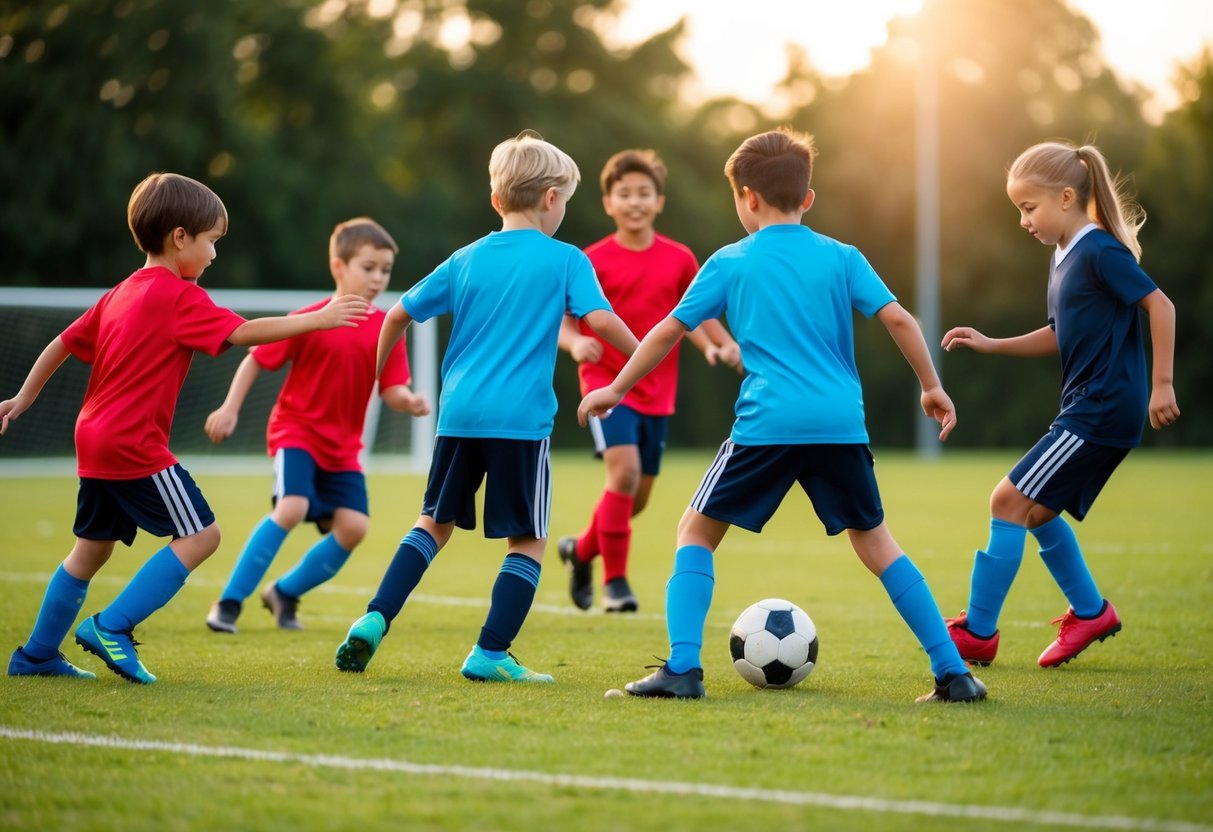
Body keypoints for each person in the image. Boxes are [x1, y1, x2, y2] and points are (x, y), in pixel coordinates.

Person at [579, 128, 986, 703]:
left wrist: (617, 387)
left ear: (746, 197)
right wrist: (931, 386)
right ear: (809, 198)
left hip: (767, 424)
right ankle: (953, 673)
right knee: (876, 544)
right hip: (840, 423)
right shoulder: (842, 257)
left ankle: (682, 669)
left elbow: (671, 330)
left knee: (695, 531)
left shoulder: (729, 261)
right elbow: (899, 319)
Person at [2, 172, 369, 684]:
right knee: (201, 534)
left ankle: (37, 654)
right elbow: (243, 332)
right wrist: (317, 318)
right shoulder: (177, 296)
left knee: (91, 549)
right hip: (133, 445)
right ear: (180, 238)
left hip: (92, 438)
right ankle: (112, 627)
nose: (215, 254)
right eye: (212, 241)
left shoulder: (120, 293)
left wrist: (24, 396)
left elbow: (63, 342)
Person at [334, 131, 638, 683]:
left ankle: (375, 617)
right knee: (529, 539)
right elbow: (598, 321)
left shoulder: (464, 259)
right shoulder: (566, 260)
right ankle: (490, 654)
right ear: (551, 198)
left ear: (497, 201)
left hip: (459, 418)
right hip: (521, 423)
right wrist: (642, 355)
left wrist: (379, 376)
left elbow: (397, 315)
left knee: (432, 523)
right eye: (565, 200)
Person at [941, 141, 1179, 669]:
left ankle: (978, 633)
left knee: (1006, 501)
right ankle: (1091, 612)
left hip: (1100, 409)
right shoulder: (1064, 255)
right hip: (1091, 408)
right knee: (1037, 511)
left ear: (1067, 197)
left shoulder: (1098, 250)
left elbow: (1159, 305)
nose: (1023, 221)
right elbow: (1059, 332)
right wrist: (993, 343)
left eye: (1029, 208)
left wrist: (1161, 384)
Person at [203, 217, 430, 635]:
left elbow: (392, 388)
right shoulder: (311, 318)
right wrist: (230, 408)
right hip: (297, 432)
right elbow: (256, 357)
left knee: (354, 528)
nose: (378, 277)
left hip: (344, 449)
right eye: (368, 267)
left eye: (385, 270)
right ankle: (228, 603)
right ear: (338, 266)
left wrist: (409, 401)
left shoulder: (387, 328)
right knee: (292, 507)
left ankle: (284, 593)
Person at [556, 148, 740, 613]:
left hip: (658, 389)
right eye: (624, 194)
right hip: (604, 382)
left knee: (633, 498)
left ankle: (580, 551)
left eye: (644, 193)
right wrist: (576, 344)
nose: (634, 201)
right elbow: (561, 319)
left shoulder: (678, 259)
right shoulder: (588, 260)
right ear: (608, 203)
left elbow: (695, 316)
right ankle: (616, 585)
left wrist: (716, 345)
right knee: (624, 473)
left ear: (659, 201)